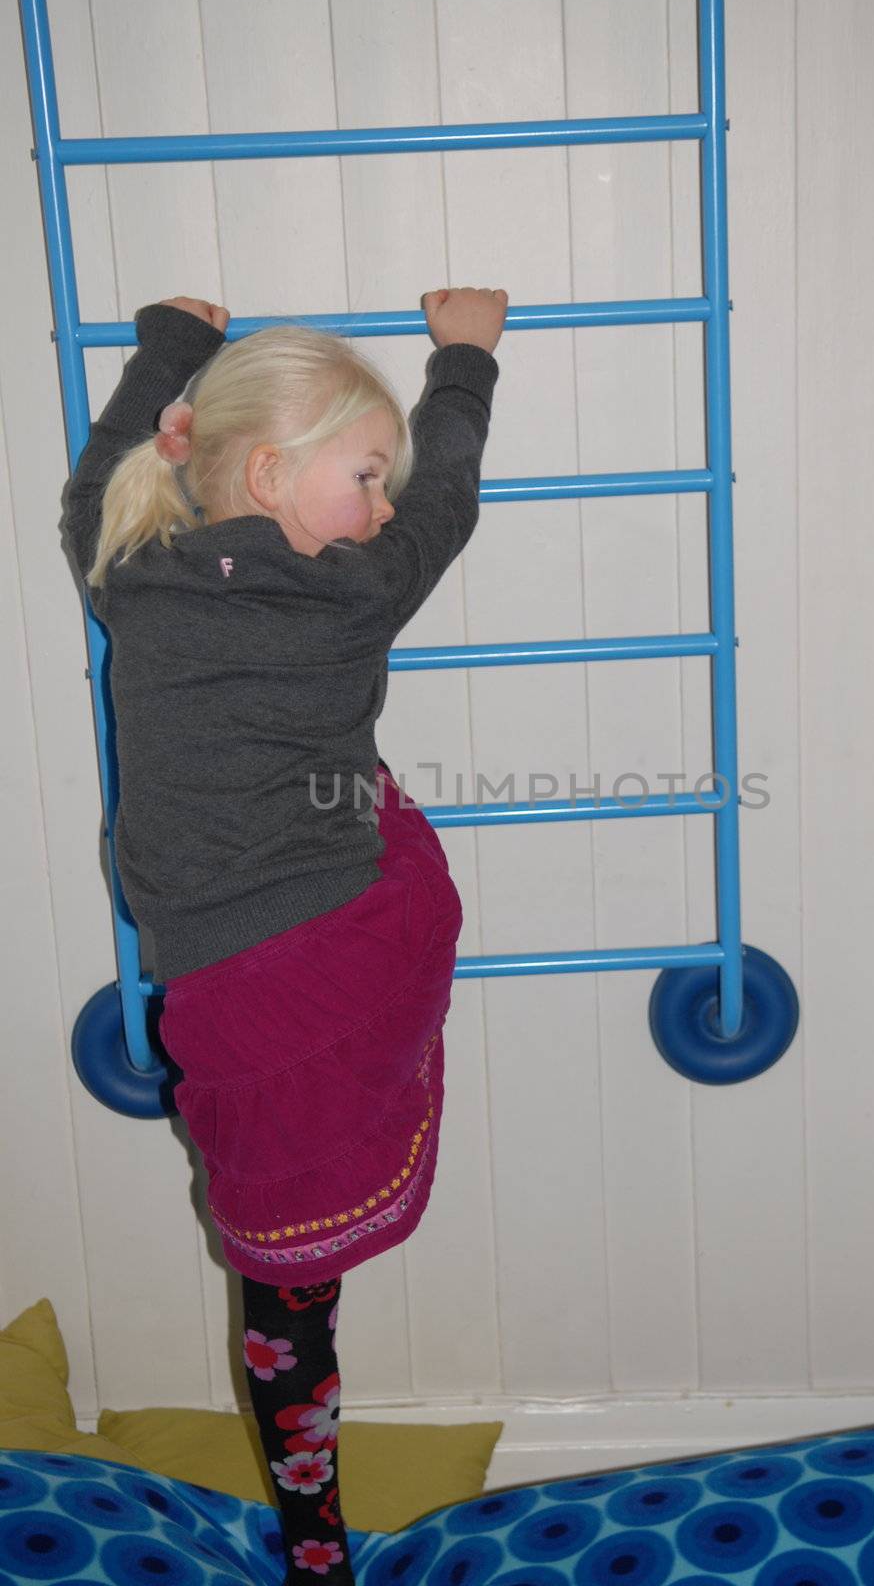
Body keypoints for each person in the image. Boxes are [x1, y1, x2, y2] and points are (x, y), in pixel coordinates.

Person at [62, 286, 508, 1583]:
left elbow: (103, 470)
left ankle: (314, 1534)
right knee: (280, 1264)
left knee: (279, 1267)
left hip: (324, 951)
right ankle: (311, 1511)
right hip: (291, 942)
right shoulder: (346, 592)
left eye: (381, 485)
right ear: (264, 468)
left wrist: (171, 347)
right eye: (364, 475)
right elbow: (451, 504)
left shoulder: (124, 569)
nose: (380, 509)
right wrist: (465, 360)